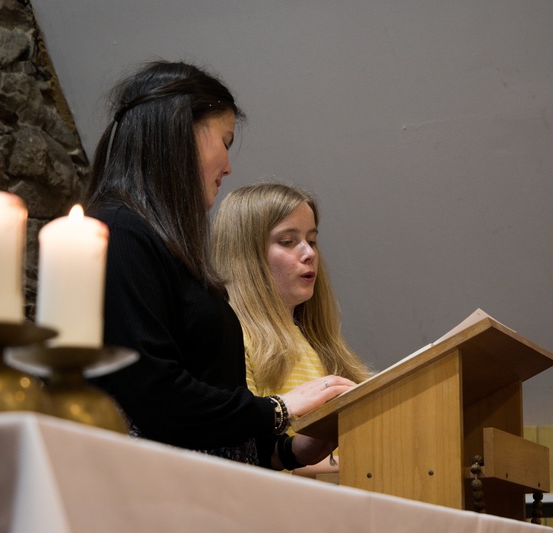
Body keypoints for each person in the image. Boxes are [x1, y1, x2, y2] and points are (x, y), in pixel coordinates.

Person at [82, 60, 355, 470]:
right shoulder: (117, 232)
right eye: (225, 141)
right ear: (181, 133)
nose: (228, 166)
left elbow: (213, 424)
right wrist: (278, 409)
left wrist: (289, 450)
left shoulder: (166, 248)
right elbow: (154, 395)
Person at [211, 182, 370, 474]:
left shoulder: (315, 341)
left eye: (312, 240)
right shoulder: (235, 337)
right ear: (246, 255)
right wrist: (361, 463)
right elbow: (246, 454)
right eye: (287, 241)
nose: (308, 253)